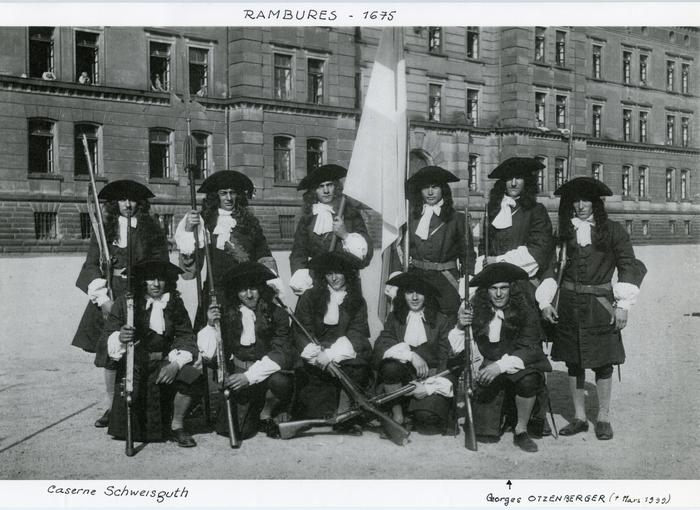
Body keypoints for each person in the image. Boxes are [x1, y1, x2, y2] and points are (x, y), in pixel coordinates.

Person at [536, 177, 646, 440]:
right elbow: (552, 267)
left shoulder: (613, 231)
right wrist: (545, 301)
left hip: (600, 305)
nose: (581, 205)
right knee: (574, 362)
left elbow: (629, 266)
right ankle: (579, 417)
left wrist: (623, 305)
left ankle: (604, 418)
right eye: (576, 200)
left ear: (596, 203)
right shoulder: (564, 233)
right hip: (570, 305)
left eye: (586, 200)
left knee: (604, 363)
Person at [72, 179, 169, 429]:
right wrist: (103, 299)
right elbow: (91, 265)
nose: (128, 204)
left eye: (133, 200)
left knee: (142, 349)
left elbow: (161, 264)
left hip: (142, 295)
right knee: (112, 355)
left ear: (140, 203)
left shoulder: (152, 229)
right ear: (115, 203)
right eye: (123, 200)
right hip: (112, 295)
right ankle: (112, 406)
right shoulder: (104, 229)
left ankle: (141, 403)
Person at [480, 156, 555, 436]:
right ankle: (499, 414)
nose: (513, 183)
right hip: (495, 290)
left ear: (527, 182)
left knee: (524, 349)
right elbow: (482, 250)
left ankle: (533, 418)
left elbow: (538, 252)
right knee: (497, 347)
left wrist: (498, 261)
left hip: (523, 289)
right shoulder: (492, 211)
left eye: (519, 178)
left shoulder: (536, 211)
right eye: (509, 178)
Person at [451, 262, 552, 453]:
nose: (499, 294)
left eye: (504, 288)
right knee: (486, 434)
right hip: (487, 369)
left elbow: (530, 349)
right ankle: (502, 416)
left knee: (529, 380)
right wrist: (459, 326)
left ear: (511, 289)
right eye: (493, 288)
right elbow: (458, 348)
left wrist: (499, 366)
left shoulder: (526, 310)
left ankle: (521, 429)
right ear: (485, 291)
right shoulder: (475, 309)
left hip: (518, 366)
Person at [101, 260, 202, 448]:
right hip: (136, 366)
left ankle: (177, 425)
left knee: (193, 377)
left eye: (161, 279)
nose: (156, 284)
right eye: (150, 279)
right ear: (141, 281)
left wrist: (175, 365)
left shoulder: (174, 303)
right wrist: (121, 337)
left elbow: (186, 337)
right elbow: (108, 342)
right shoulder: (125, 303)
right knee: (134, 409)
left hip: (165, 363)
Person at [197, 262, 296, 439]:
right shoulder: (226, 314)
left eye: (253, 289)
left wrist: (248, 377)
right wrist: (211, 325)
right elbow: (208, 354)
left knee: (281, 382)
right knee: (237, 431)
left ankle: (266, 413)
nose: (249, 295)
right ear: (236, 293)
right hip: (237, 372)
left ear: (261, 289)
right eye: (243, 290)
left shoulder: (277, 313)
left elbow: (281, 353)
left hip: (266, 375)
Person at [174, 170, 280, 328]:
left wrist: (272, 285)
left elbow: (263, 254)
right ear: (216, 196)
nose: (228, 198)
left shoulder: (250, 222)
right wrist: (189, 229)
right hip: (216, 291)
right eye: (223, 193)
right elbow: (192, 269)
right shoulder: (205, 222)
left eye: (233, 193)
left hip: (246, 291)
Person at [292, 252, 372, 435]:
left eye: (338, 273)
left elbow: (357, 334)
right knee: (316, 412)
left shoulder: (357, 301)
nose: (334, 278)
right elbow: (301, 331)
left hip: (345, 357)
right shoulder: (310, 297)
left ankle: (347, 413)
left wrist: (331, 355)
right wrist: (318, 356)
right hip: (315, 358)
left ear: (347, 274)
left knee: (359, 369)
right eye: (329, 273)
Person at [388, 165, 476, 319]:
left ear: (443, 189)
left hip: (446, 283)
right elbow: (398, 250)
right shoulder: (410, 218)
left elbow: (467, 256)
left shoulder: (457, 219)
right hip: (416, 283)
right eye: (425, 188)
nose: (429, 192)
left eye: (434, 187)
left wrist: (466, 284)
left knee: (447, 325)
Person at [373, 271, 453, 434]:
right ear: (403, 295)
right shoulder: (395, 318)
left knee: (427, 421)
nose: (414, 298)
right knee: (390, 367)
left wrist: (428, 387)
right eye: (410, 292)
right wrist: (411, 355)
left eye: (419, 293)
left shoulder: (441, 320)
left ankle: (415, 412)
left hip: (431, 379)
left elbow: (447, 359)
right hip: (401, 382)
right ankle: (398, 416)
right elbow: (381, 346)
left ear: (427, 295)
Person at [289, 164, 373, 295]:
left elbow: (366, 256)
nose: (326, 190)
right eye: (320, 187)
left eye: (329, 185)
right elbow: (298, 253)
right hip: (316, 282)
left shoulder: (350, 214)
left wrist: (345, 235)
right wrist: (302, 278)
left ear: (337, 187)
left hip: (347, 283)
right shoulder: (308, 218)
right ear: (314, 191)